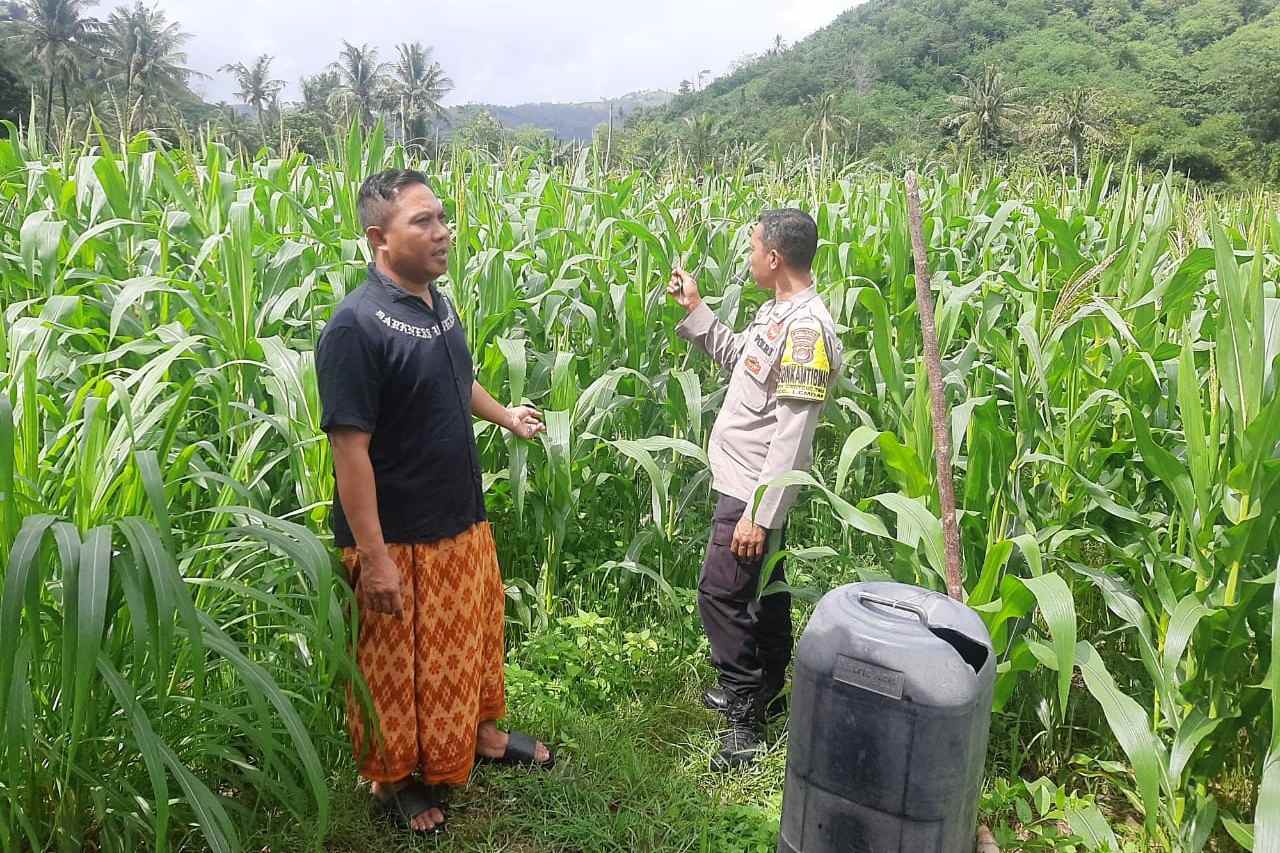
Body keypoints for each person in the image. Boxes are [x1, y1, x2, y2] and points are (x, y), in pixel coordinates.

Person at [316, 169, 554, 835]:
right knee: (395, 669)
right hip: (398, 537)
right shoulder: (354, 328)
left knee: (470, 643)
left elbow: (456, 377)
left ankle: (480, 738)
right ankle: (392, 780)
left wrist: (506, 415)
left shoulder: (435, 302)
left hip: (460, 519)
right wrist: (374, 558)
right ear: (378, 237)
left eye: (442, 217)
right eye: (423, 221)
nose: (442, 231)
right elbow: (349, 452)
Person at [667, 208, 842, 771]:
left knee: (720, 593)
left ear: (773, 258)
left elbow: (792, 436)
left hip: (753, 491)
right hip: (746, 484)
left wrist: (759, 516)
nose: (748, 260)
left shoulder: (807, 331)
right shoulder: (778, 314)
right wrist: (696, 310)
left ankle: (743, 717)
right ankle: (768, 689)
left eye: (751, 250)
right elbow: (738, 360)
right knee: (764, 592)